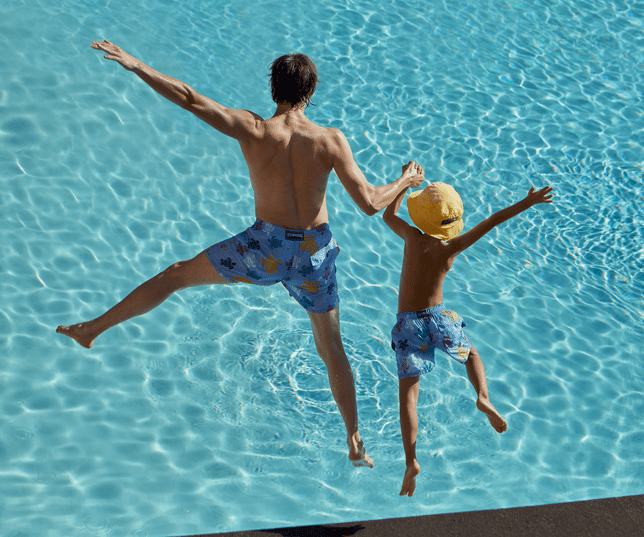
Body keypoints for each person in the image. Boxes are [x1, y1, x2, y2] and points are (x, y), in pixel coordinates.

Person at [57, 41, 425, 468]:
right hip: (312, 256)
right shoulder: (329, 140)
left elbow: (191, 99)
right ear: (311, 92)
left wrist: (138, 65)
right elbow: (369, 203)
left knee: (175, 276)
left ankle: (93, 329)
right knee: (330, 346)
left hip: (262, 249)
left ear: (274, 89)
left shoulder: (252, 129)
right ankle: (355, 440)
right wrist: (404, 181)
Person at [382, 179, 553, 495]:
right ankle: (483, 396)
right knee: (471, 356)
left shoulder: (412, 238)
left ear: (422, 218)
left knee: (409, 394)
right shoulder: (453, 246)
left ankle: (411, 461)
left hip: (409, 325)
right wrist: (527, 203)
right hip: (439, 316)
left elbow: (388, 217)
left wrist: (404, 186)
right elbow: (492, 220)